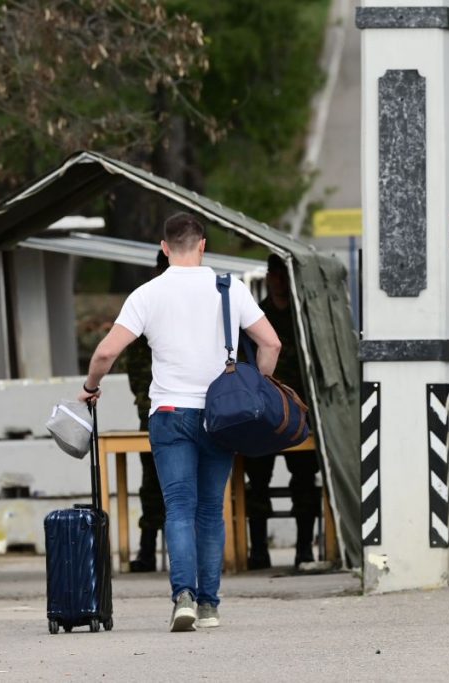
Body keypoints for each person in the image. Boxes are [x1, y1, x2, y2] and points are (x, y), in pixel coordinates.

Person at [77, 213, 280, 632]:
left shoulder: (147, 294)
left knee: (179, 509)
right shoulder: (229, 289)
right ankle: (209, 606)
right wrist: (258, 388)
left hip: (169, 415)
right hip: (221, 417)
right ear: (203, 245)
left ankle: (182, 597)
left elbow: (103, 354)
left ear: (165, 247)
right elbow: (271, 342)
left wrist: (90, 386)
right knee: (211, 510)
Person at [243, 254, 320, 571]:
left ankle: (304, 550)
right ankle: (259, 551)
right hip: (263, 414)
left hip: (297, 411)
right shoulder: (256, 316)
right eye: (274, 273)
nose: (278, 279)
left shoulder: (305, 318)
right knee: (257, 482)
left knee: (304, 480)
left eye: (283, 274)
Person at [123, 250, 170, 573]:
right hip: (152, 404)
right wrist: (144, 396)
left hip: (182, 401)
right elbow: (135, 363)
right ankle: (146, 547)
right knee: (151, 479)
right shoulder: (146, 302)